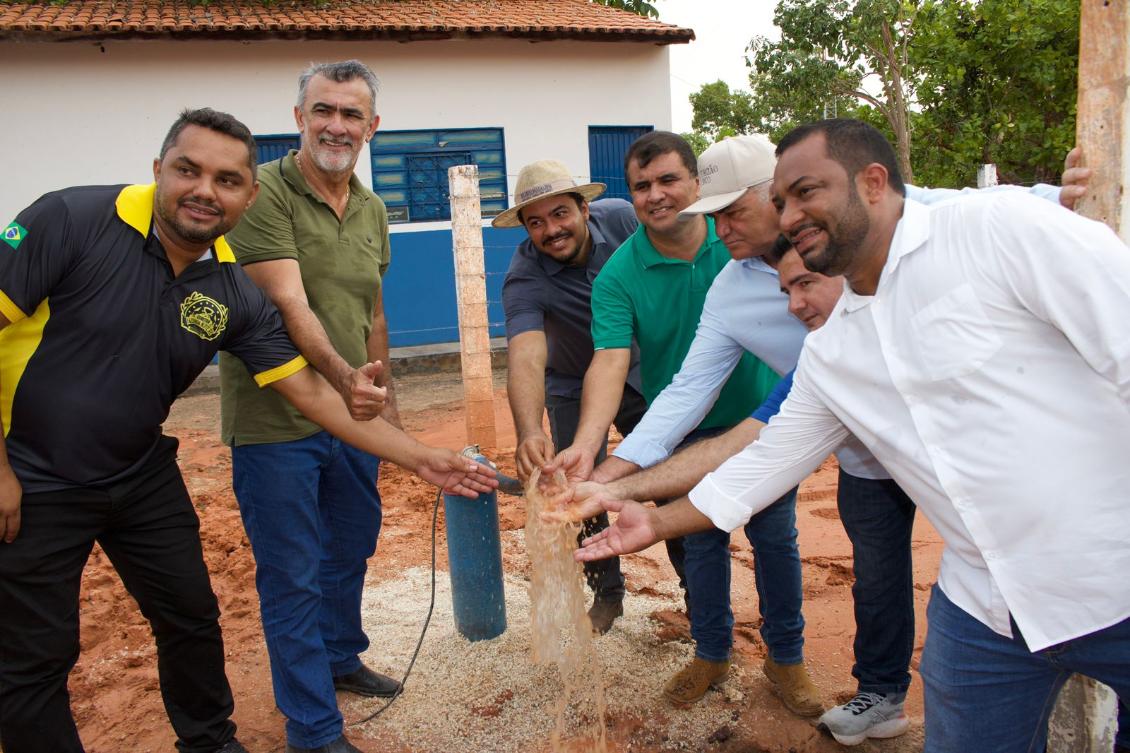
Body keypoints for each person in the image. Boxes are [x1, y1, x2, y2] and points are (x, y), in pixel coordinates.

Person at [572, 118, 1130, 753]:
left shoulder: (995, 229)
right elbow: (762, 452)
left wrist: (1058, 194)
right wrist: (650, 516)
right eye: (784, 202)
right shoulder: (831, 348)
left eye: (806, 193)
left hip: (1113, 578)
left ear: (872, 183)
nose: (791, 217)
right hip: (987, 608)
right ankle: (880, 691)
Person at [0, 108, 494, 753]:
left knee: (191, 617)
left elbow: (312, 393)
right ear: (159, 170)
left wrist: (421, 457)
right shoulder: (68, 219)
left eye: (227, 180)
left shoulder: (232, 287)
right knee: (36, 653)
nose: (206, 191)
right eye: (188, 170)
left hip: (139, 471)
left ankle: (210, 743)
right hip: (31, 473)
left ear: (248, 195)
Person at [549, 131, 816, 713]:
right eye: (641, 186)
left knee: (775, 540)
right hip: (682, 430)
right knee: (700, 542)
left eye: (669, 180)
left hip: (768, 419)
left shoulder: (752, 244)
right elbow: (612, 360)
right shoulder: (619, 274)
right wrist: (595, 454)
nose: (655, 195)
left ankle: (787, 660)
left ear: (698, 185)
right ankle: (711, 653)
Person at [216, 60, 404, 753]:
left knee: (350, 547)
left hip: (354, 416)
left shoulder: (374, 207)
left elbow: (372, 313)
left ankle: (340, 657)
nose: (337, 125)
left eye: (352, 114)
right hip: (276, 422)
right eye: (323, 109)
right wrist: (347, 378)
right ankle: (313, 729)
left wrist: (386, 407)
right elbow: (289, 303)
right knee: (291, 572)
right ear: (299, 117)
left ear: (372, 128)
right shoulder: (262, 190)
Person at [495, 159, 644, 633]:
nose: (551, 230)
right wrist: (527, 430)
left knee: (670, 477)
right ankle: (607, 592)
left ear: (584, 207)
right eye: (534, 222)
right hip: (574, 384)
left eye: (560, 214)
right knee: (572, 484)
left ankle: (696, 593)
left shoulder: (623, 218)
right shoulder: (525, 276)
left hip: (644, 371)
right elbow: (525, 355)